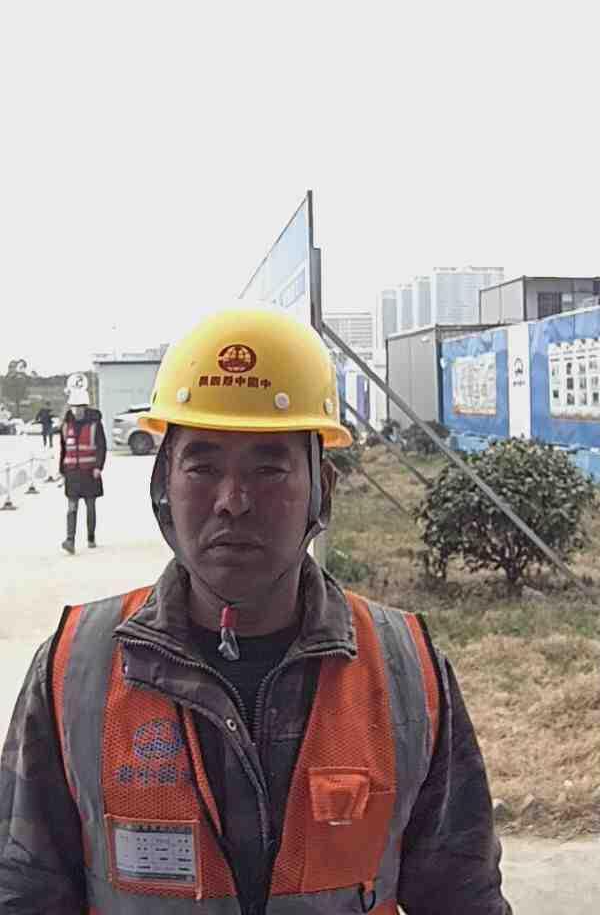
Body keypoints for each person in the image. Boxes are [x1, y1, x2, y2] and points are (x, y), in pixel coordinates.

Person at [0, 307, 511, 914]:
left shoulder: (406, 671)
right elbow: (22, 890)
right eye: (202, 466)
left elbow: (464, 897)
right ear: (163, 484)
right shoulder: (75, 669)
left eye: (269, 468)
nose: (233, 501)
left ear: (323, 489)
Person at [59, 388, 106, 553]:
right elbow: (63, 449)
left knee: (90, 506)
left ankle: (91, 537)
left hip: (89, 472)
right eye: (74, 406)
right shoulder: (66, 425)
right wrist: (61, 470)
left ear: (85, 407)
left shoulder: (95, 424)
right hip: (72, 473)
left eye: (80, 407)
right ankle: (70, 540)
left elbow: (101, 446)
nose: (77, 410)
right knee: (72, 507)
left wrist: (98, 466)